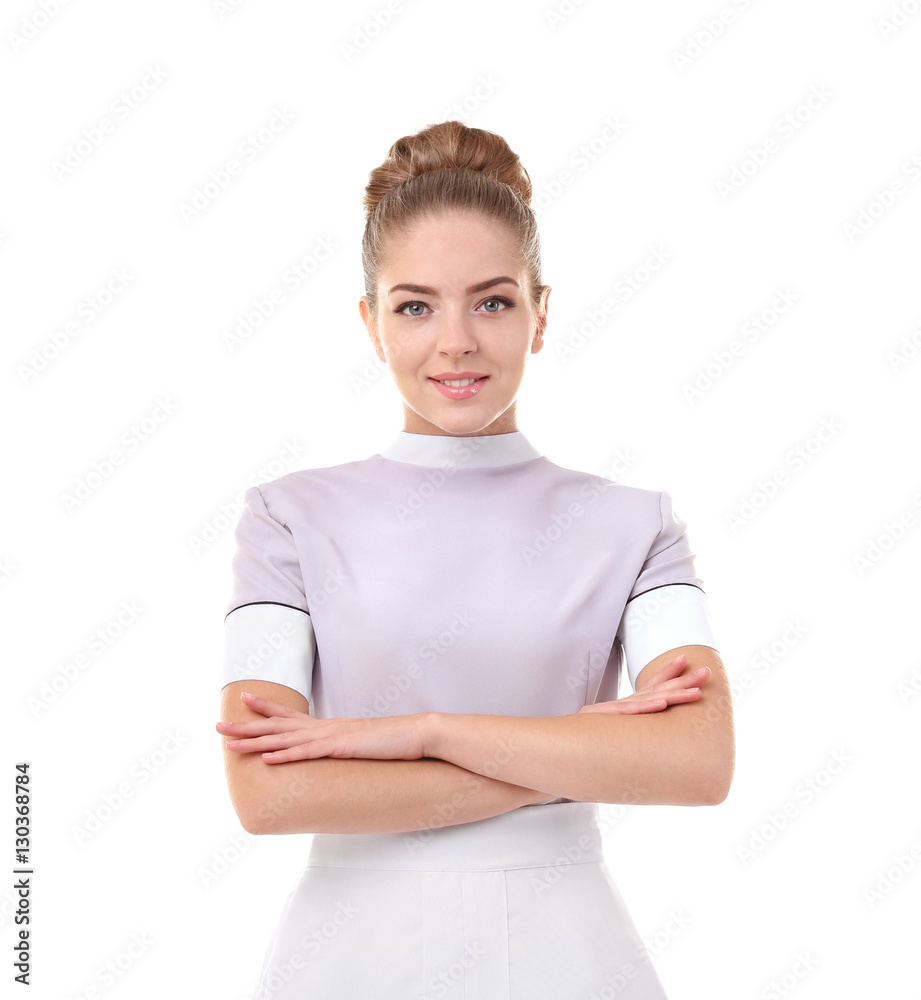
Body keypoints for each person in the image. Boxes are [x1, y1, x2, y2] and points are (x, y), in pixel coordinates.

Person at [215, 120, 735, 1000]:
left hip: (568, 959)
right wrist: (568, 760)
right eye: (414, 306)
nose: (454, 341)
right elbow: (268, 795)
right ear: (371, 324)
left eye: (491, 302)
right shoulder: (287, 520)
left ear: (540, 313)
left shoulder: (633, 525)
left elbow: (697, 762)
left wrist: (424, 733)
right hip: (348, 958)